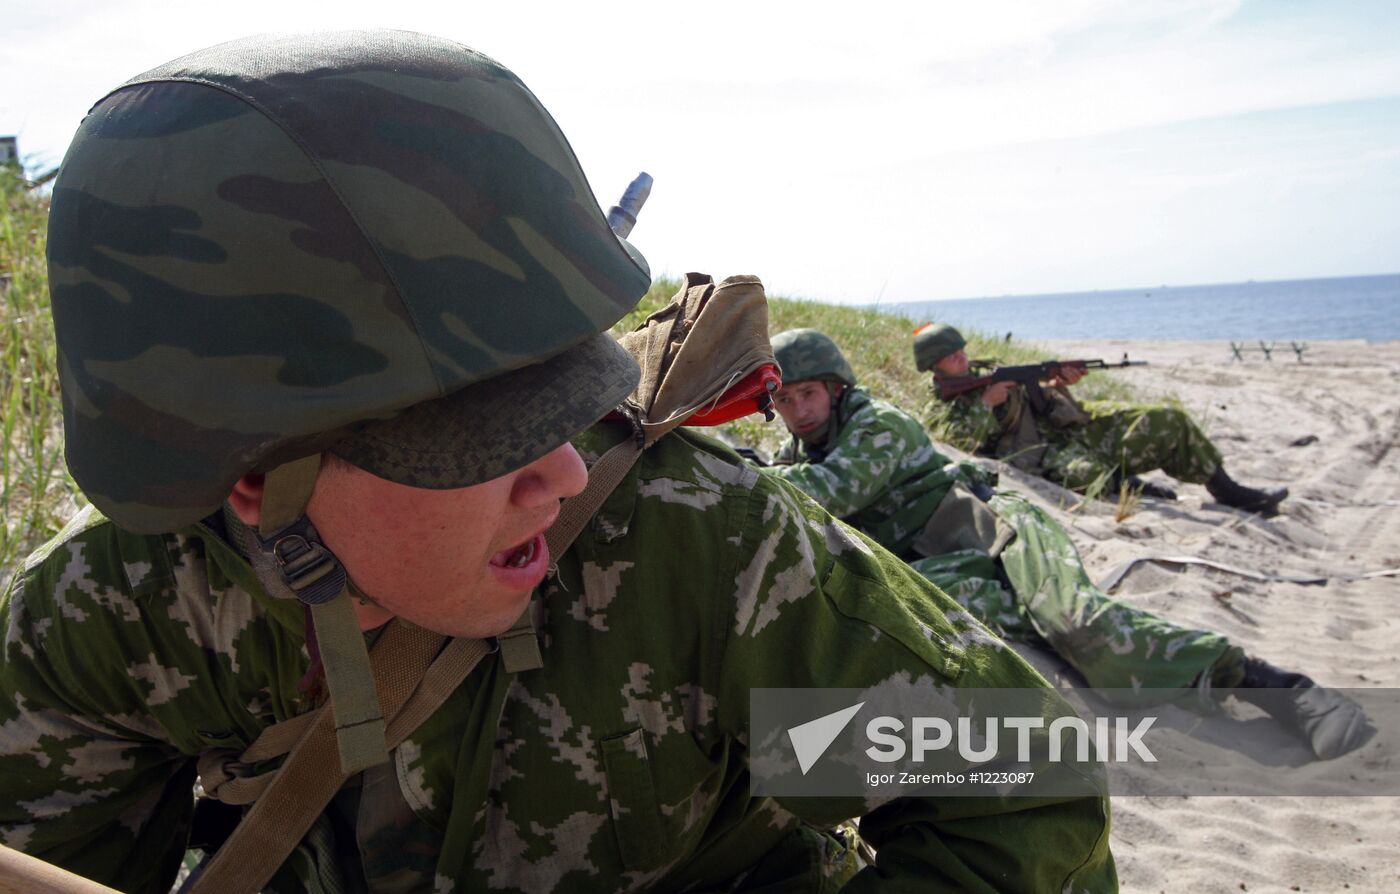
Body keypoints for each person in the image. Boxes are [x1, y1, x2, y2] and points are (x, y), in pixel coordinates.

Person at [0, 32, 1117, 894]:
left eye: (568, 408)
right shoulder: (109, 623)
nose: (567, 478)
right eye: (482, 445)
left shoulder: (697, 553)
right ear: (254, 485)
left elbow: (1016, 790)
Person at [762, 328, 1367, 761]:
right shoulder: (795, 452)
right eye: (784, 401)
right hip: (947, 562)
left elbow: (828, 492)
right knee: (955, 628)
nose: (798, 411)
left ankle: (1281, 689)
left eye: (808, 394)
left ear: (838, 388)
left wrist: (743, 476)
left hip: (1001, 529)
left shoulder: (879, 423)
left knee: (1075, 623)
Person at [913, 323, 1289, 515]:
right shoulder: (943, 405)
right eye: (952, 357)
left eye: (962, 351)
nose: (962, 358)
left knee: (1166, 420)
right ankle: (1128, 483)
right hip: (1044, 456)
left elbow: (1049, 405)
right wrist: (986, 405)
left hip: (1074, 433)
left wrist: (1059, 384)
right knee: (1087, 475)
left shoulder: (991, 370)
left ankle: (1227, 489)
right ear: (934, 366)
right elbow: (957, 444)